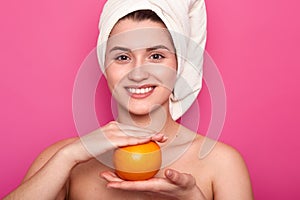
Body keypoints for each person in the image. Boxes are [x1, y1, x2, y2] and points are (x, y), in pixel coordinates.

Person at [4, 0, 253, 199]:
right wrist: (69, 156)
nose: (138, 73)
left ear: (180, 65)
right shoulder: (64, 159)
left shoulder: (221, 164)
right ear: (105, 65)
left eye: (156, 56)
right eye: (122, 57)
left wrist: (192, 198)